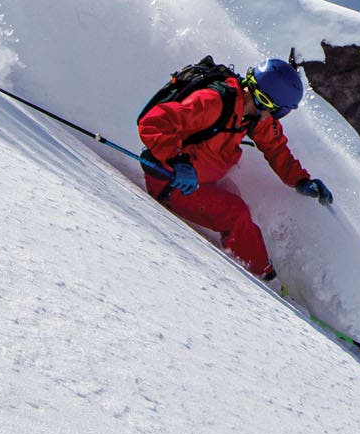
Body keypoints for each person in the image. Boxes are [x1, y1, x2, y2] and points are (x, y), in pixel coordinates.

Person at [137, 56, 331, 279]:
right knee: (235, 214)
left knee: (233, 194)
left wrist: (301, 180)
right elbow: (152, 123)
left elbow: (275, 147)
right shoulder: (213, 102)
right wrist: (177, 160)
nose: (276, 117)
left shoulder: (250, 114)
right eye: (280, 111)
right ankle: (263, 278)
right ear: (265, 101)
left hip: (201, 179)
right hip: (173, 181)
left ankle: (247, 260)